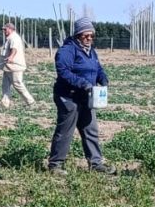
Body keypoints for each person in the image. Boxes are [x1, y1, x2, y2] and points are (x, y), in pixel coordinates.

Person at [48, 17, 115, 176]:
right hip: (68, 96)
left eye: (92, 36)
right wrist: (82, 83)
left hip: (87, 97)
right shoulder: (67, 51)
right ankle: (55, 165)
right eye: (86, 36)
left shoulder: (91, 51)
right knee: (65, 130)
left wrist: (102, 78)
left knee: (90, 129)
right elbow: (63, 72)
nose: (89, 39)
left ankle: (96, 163)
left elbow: (97, 68)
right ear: (78, 35)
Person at [0, 22, 35, 108]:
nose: (4, 31)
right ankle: (5, 103)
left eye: (5, 29)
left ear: (10, 29)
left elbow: (14, 49)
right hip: (8, 67)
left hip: (15, 67)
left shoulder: (14, 38)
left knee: (18, 84)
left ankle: (31, 102)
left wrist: (11, 57)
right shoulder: (10, 38)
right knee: (5, 85)